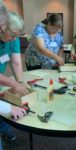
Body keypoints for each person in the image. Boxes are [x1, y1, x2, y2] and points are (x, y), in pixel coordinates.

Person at [0, 7, 28, 143]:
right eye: (12, 36)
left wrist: (20, 83)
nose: (14, 40)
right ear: (3, 28)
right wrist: (13, 83)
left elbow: (16, 62)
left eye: (17, 36)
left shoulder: (13, 38)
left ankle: (5, 131)